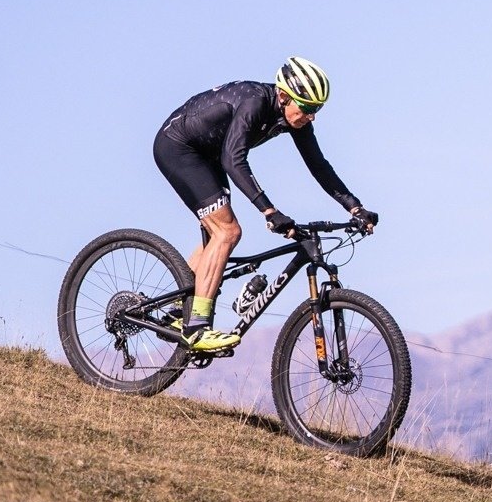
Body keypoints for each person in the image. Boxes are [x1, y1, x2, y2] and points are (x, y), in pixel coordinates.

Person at [150, 56, 378, 354]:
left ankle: (179, 308)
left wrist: (354, 207)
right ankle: (196, 328)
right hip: (179, 147)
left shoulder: (295, 120)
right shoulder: (255, 102)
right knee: (227, 232)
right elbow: (234, 159)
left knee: (216, 236)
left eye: (317, 110)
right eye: (308, 108)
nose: (312, 116)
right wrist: (268, 211)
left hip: (208, 154)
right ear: (284, 96)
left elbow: (319, 166)